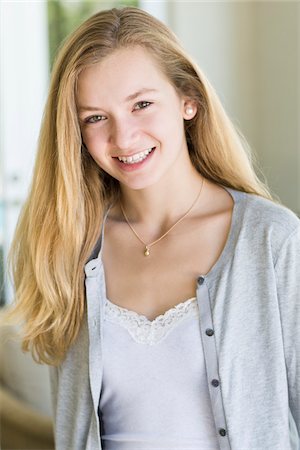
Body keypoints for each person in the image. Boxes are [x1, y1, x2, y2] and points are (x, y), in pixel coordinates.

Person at [7, 6, 299, 450]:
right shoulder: (68, 247)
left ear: (188, 100)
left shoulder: (271, 240)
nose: (123, 138)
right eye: (95, 117)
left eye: (141, 104)